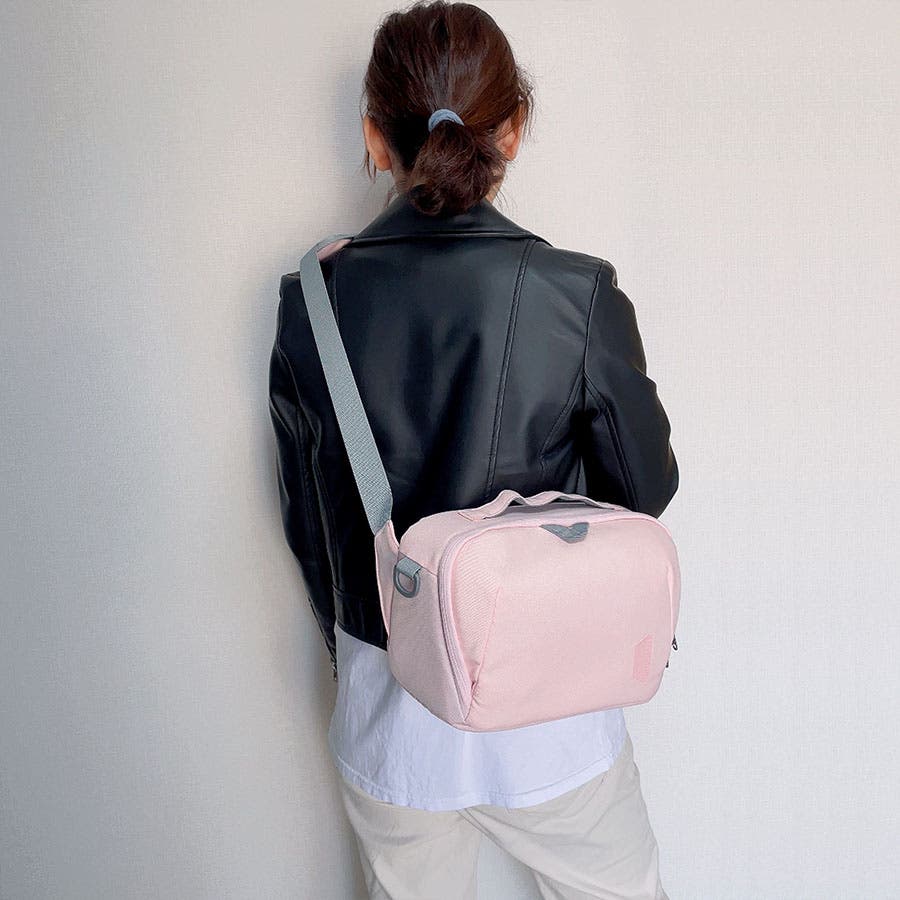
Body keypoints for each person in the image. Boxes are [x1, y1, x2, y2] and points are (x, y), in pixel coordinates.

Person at [267, 2, 679, 897]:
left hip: (390, 715)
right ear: (514, 130)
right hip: (552, 714)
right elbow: (644, 489)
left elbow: (308, 519)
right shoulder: (577, 293)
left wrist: (365, 652)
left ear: (374, 137)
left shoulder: (311, 301)